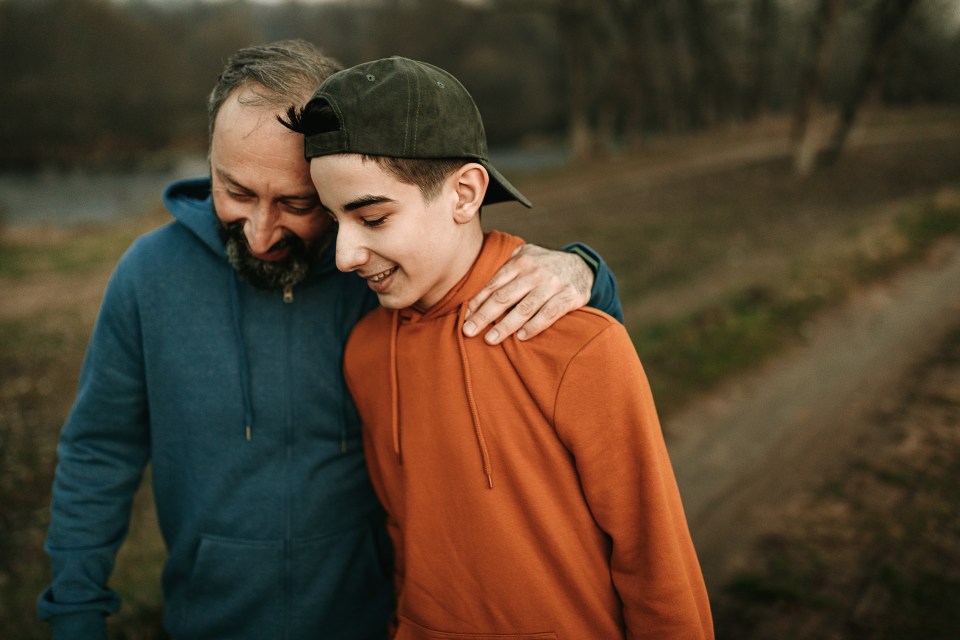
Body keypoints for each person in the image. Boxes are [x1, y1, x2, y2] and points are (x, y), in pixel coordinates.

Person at [36, 41, 622, 640]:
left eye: (296, 204)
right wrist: (76, 613)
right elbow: (98, 451)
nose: (262, 235)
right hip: (208, 623)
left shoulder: (381, 277)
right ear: (210, 160)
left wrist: (586, 273)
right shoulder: (147, 277)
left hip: (370, 623)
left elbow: (551, 343)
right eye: (236, 192)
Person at [287, 56, 713, 639]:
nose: (344, 255)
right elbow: (405, 543)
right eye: (336, 220)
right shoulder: (364, 352)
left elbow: (658, 568)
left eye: (374, 218)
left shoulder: (577, 344)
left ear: (465, 193)